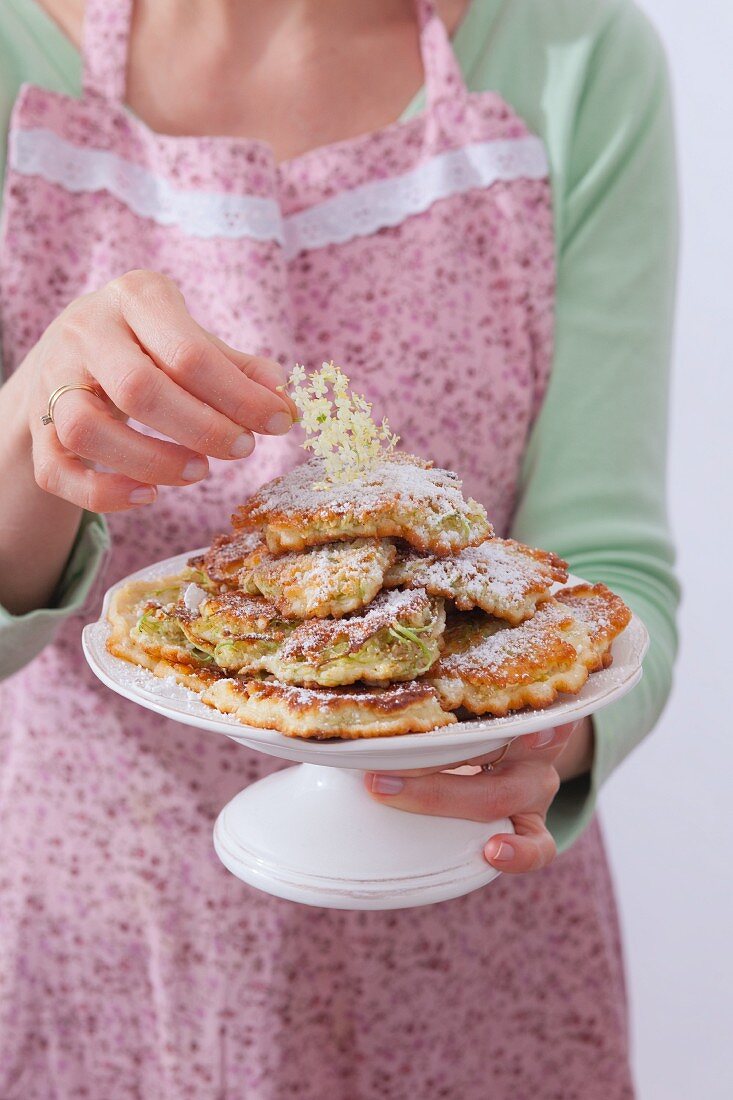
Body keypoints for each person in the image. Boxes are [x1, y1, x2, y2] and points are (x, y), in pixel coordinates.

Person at [0, 1, 678, 1096]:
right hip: (106, 939)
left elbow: (607, 571)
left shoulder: (575, 53)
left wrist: (552, 742)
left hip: (472, 939)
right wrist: (30, 417)